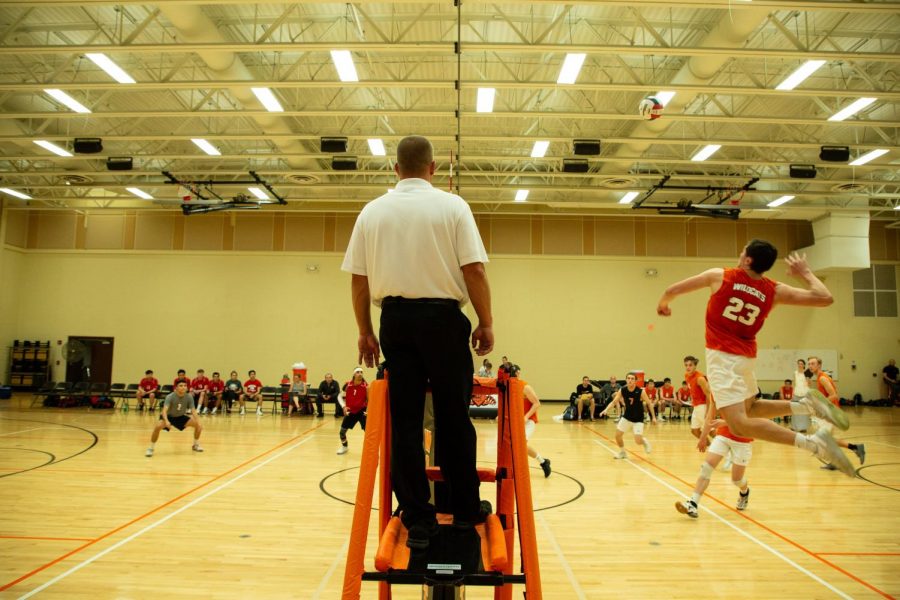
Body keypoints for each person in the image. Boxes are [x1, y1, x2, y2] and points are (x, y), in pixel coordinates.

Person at [342, 135, 494, 550]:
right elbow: (475, 270)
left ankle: (417, 516)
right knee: (452, 419)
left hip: (395, 322)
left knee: (406, 423)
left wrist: (365, 331)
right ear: (433, 169)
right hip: (444, 321)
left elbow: (359, 280)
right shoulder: (452, 206)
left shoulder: (372, 212)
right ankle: (464, 511)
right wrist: (486, 322)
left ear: (395, 169)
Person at [657, 240, 854, 476]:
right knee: (751, 410)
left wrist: (663, 305)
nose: (740, 255)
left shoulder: (720, 276)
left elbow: (671, 290)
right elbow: (825, 298)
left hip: (722, 358)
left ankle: (815, 444)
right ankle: (805, 406)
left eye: (743, 252)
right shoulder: (774, 290)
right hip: (746, 359)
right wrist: (805, 272)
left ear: (748, 260)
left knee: (739, 425)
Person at [676, 398, 753, 519]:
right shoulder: (716, 390)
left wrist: (725, 422)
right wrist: (702, 437)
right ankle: (693, 504)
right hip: (723, 436)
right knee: (706, 468)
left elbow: (750, 417)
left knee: (736, 480)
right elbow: (709, 417)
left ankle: (745, 492)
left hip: (742, 439)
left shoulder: (743, 390)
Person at [808, 356, 865, 469]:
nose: (810, 366)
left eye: (813, 363)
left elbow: (834, 395)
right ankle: (852, 450)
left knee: (824, 438)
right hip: (828, 411)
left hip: (831, 412)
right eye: (809, 363)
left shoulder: (822, 378)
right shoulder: (820, 377)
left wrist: (820, 405)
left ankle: (854, 449)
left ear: (819, 365)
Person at [599, 372, 656, 458]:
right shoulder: (623, 390)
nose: (630, 380)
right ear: (626, 380)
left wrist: (654, 417)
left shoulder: (641, 391)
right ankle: (623, 452)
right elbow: (614, 401)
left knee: (638, 441)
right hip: (627, 417)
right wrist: (606, 410)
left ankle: (643, 441)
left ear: (635, 381)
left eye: (632, 379)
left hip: (638, 419)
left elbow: (649, 404)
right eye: (628, 378)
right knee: (617, 436)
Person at [510, 366, 551, 477]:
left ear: (518, 373)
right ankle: (543, 461)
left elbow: (537, 403)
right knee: (515, 445)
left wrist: (526, 417)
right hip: (517, 421)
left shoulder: (524, 386)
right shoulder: (510, 386)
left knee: (521, 444)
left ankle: (542, 462)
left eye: (515, 373)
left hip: (528, 421)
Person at [145, 381, 203, 456]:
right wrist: (166, 421)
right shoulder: (170, 396)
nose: (183, 387)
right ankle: (151, 448)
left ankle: (195, 445)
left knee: (199, 426)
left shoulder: (189, 396)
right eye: (181, 385)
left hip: (180, 417)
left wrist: (198, 421)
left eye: (185, 385)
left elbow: (193, 411)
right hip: (169, 417)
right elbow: (164, 411)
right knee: (157, 427)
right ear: (176, 388)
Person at [337, 368, 368, 454]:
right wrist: (344, 406)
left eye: (361, 372)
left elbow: (370, 399)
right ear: (354, 374)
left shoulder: (366, 385)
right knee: (342, 432)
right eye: (358, 372)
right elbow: (339, 396)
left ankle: (369, 449)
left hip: (362, 411)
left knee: (368, 432)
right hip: (350, 411)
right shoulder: (347, 385)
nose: (360, 374)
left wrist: (368, 410)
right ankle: (344, 446)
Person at [684, 356, 712, 440]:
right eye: (686, 365)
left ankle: (726, 450)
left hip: (703, 406)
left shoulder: (700, 378)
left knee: (711, 431)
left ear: (695, 366)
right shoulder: (686, 375)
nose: (688, 367)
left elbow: (709, 395)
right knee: (695, 431)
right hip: (695, 407)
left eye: (690, 365)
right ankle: (710, 448)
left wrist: (708, 411)